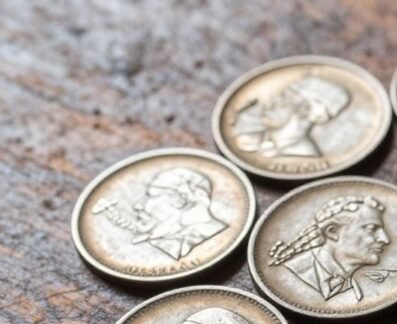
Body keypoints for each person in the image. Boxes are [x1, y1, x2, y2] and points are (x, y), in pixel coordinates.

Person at [268, 196, 391, 302]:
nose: (385, 239)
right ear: (332, 232)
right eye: (371, 228)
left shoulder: (357, 292)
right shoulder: (292, 272)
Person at [93, 167, 228, 261]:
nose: (138, 205)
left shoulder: (207, 235)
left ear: (179, 199)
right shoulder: (164, 241)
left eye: (151, 196)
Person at [234, 76, 350, 158]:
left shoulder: (303, 153)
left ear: (305, 110)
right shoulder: (251, 141)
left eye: (284, 98)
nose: (270, 103)